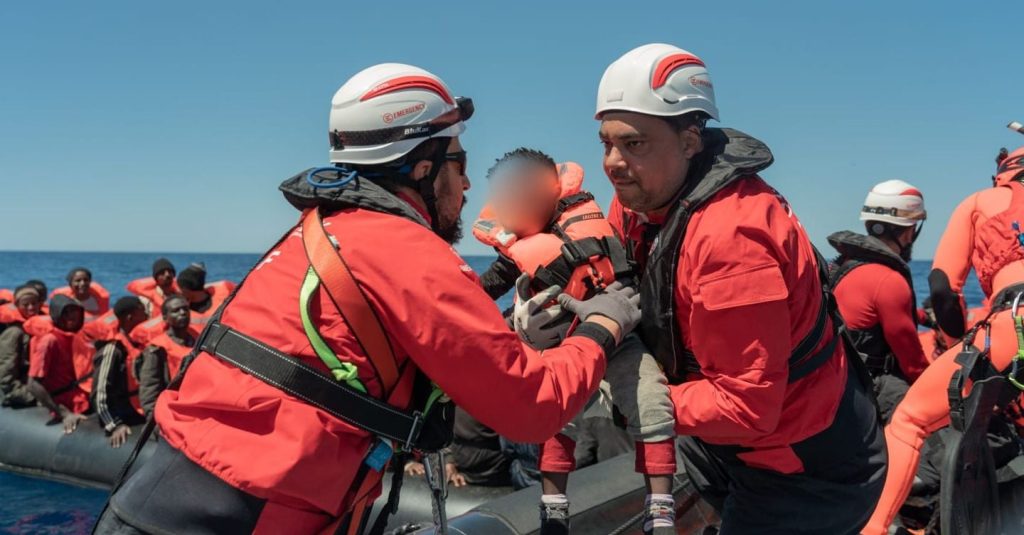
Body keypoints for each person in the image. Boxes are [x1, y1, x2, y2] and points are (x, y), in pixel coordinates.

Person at [93, 63, 639, 534]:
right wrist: (602, 326)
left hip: (157, 493)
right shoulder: (409, 253)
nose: (469, 185)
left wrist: (505, 303)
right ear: (423, 168)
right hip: (245, 515)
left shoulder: (323, 230)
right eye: (459, 163)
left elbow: (413, 326)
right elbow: (531, 406)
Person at [596, 43, 886, 533]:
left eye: (635, 144)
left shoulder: (732, 241)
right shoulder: (640, 198)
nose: (613, 162)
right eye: (606, 143)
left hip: (805, 469)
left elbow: (747, 407)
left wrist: (628, 397)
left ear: (691, 141)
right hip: (726, 446)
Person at [473, 149, 676, 534]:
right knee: (555, 415)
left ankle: (660, 507)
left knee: (651, 399)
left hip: (618, 335)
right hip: (560, 343)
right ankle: (553, 509)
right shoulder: (519, 250)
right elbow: (484, 291)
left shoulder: (590, 221)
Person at [864, 144, 1024, 534]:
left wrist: (957, 345)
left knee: (909, 422)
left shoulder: (980, 202)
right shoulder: (885, 280)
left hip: (1013, 322)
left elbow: (941, 286)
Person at [828, 180, 930, 421]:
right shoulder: (889, 281)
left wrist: (923, 317)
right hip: (867, 385)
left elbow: (864, 315)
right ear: (909, 230)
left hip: (837, 377)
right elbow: (913, 365)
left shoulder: (842, 267)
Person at [91, 296, 149, 448]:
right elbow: (100, 392)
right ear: (130, 318)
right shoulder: (112, 350)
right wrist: (114, 425)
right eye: (142, 312)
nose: (147, 315)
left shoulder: (139, 343)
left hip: (138, 409)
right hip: (122, 412)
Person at [25, 296, 89, 433]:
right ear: (57, 316)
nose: (71, 316)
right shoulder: (49, 341)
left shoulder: (80, 337)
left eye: (74, 311)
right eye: (65, 312)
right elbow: (32, 384)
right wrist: (64, 413)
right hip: (64, 402)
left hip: (83, 398)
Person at [136, 295, 197, 417]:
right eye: (176, 311)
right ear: (165, 317)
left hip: (196, 405)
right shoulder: (156, 349)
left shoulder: (198, 341)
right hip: (172, 410)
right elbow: (149, 388)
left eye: (185, 309)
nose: (182, 313)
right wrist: (155, 418)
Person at [0, 285, 43, 407]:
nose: (31, 308)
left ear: (40, 304)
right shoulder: (14, 333)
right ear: (17, 305)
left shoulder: (43, 327)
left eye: (34, 303)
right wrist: (29, 397)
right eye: (25, 305)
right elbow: (6, 374)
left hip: (40, 383)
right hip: (23, 389)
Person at [175, 262, 234, 327]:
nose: (178, 291)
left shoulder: (223, 297)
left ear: (187, 289)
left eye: (180, 288)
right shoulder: (180, 307)